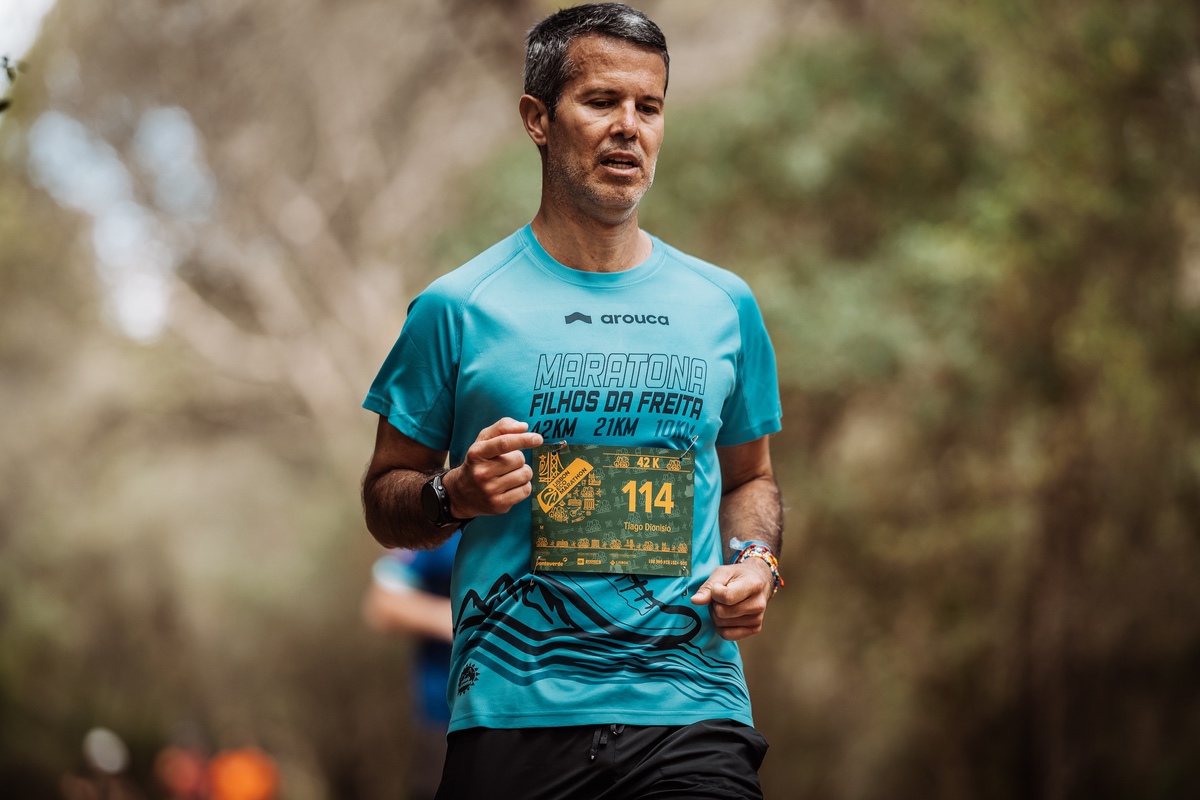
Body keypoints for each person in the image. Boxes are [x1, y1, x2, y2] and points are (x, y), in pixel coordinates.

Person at [361, 4, 784, 798]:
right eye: (600, 101)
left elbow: (750, 478)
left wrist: (755, 562)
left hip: (692, 712)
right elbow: (385, 498)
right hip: (512, 715)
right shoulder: (457, 308)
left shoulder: (725, 305)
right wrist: (453, 494)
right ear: (537, 119)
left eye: (649, 106)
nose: (628, 126)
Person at [362, 537, 459, 800]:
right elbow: (383, 602)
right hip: (445, 717)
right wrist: (463, 619)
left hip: (536, 713)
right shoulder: (447, 521)